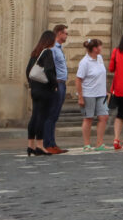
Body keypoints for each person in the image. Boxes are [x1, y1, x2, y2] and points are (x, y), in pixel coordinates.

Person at [26, 29, 58, 157]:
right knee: (42, 117)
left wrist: (31, 84)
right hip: (45, 90)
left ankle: (30, 145)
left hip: (35, 89)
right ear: (50, 40)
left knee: (34, 116)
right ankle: (39, 145)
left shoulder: (35, 53)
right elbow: (49, 70)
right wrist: (54, 85)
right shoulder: (48, 52)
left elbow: (28, 70)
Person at [76, 38, 110, 151]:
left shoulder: (99, 58)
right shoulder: (84, 62)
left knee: (104, 116)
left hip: (100, 93)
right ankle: (87, 144)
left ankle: (99, 143)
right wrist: (80, 96)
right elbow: (78, 79)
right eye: (100, 46)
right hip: (88, 93)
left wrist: (105, 90)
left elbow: (101, 75)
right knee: (88, 118)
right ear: (95, 49)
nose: (102, 48)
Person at [41, 24, 70, 154]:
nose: (66, 35)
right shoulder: (52, 49)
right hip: (57, 83)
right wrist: (54, 84)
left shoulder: (59, 48)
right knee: (51, 115)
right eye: (65, 33)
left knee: (55, 115)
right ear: (59, 33)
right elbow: (49, 68)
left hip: (61, 83)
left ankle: (52, 143)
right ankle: (48, 144)